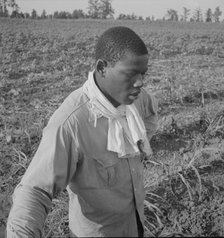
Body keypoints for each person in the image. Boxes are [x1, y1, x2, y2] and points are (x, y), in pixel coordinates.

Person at [6, 26, 158, 237]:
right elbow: (34, 192)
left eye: (143, 73)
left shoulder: (137, 100)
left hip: (135, 224)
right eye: (131, 73)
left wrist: (140, 145)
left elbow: (150, 116)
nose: (140, 82)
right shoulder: (71, 123)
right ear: (102, 67)